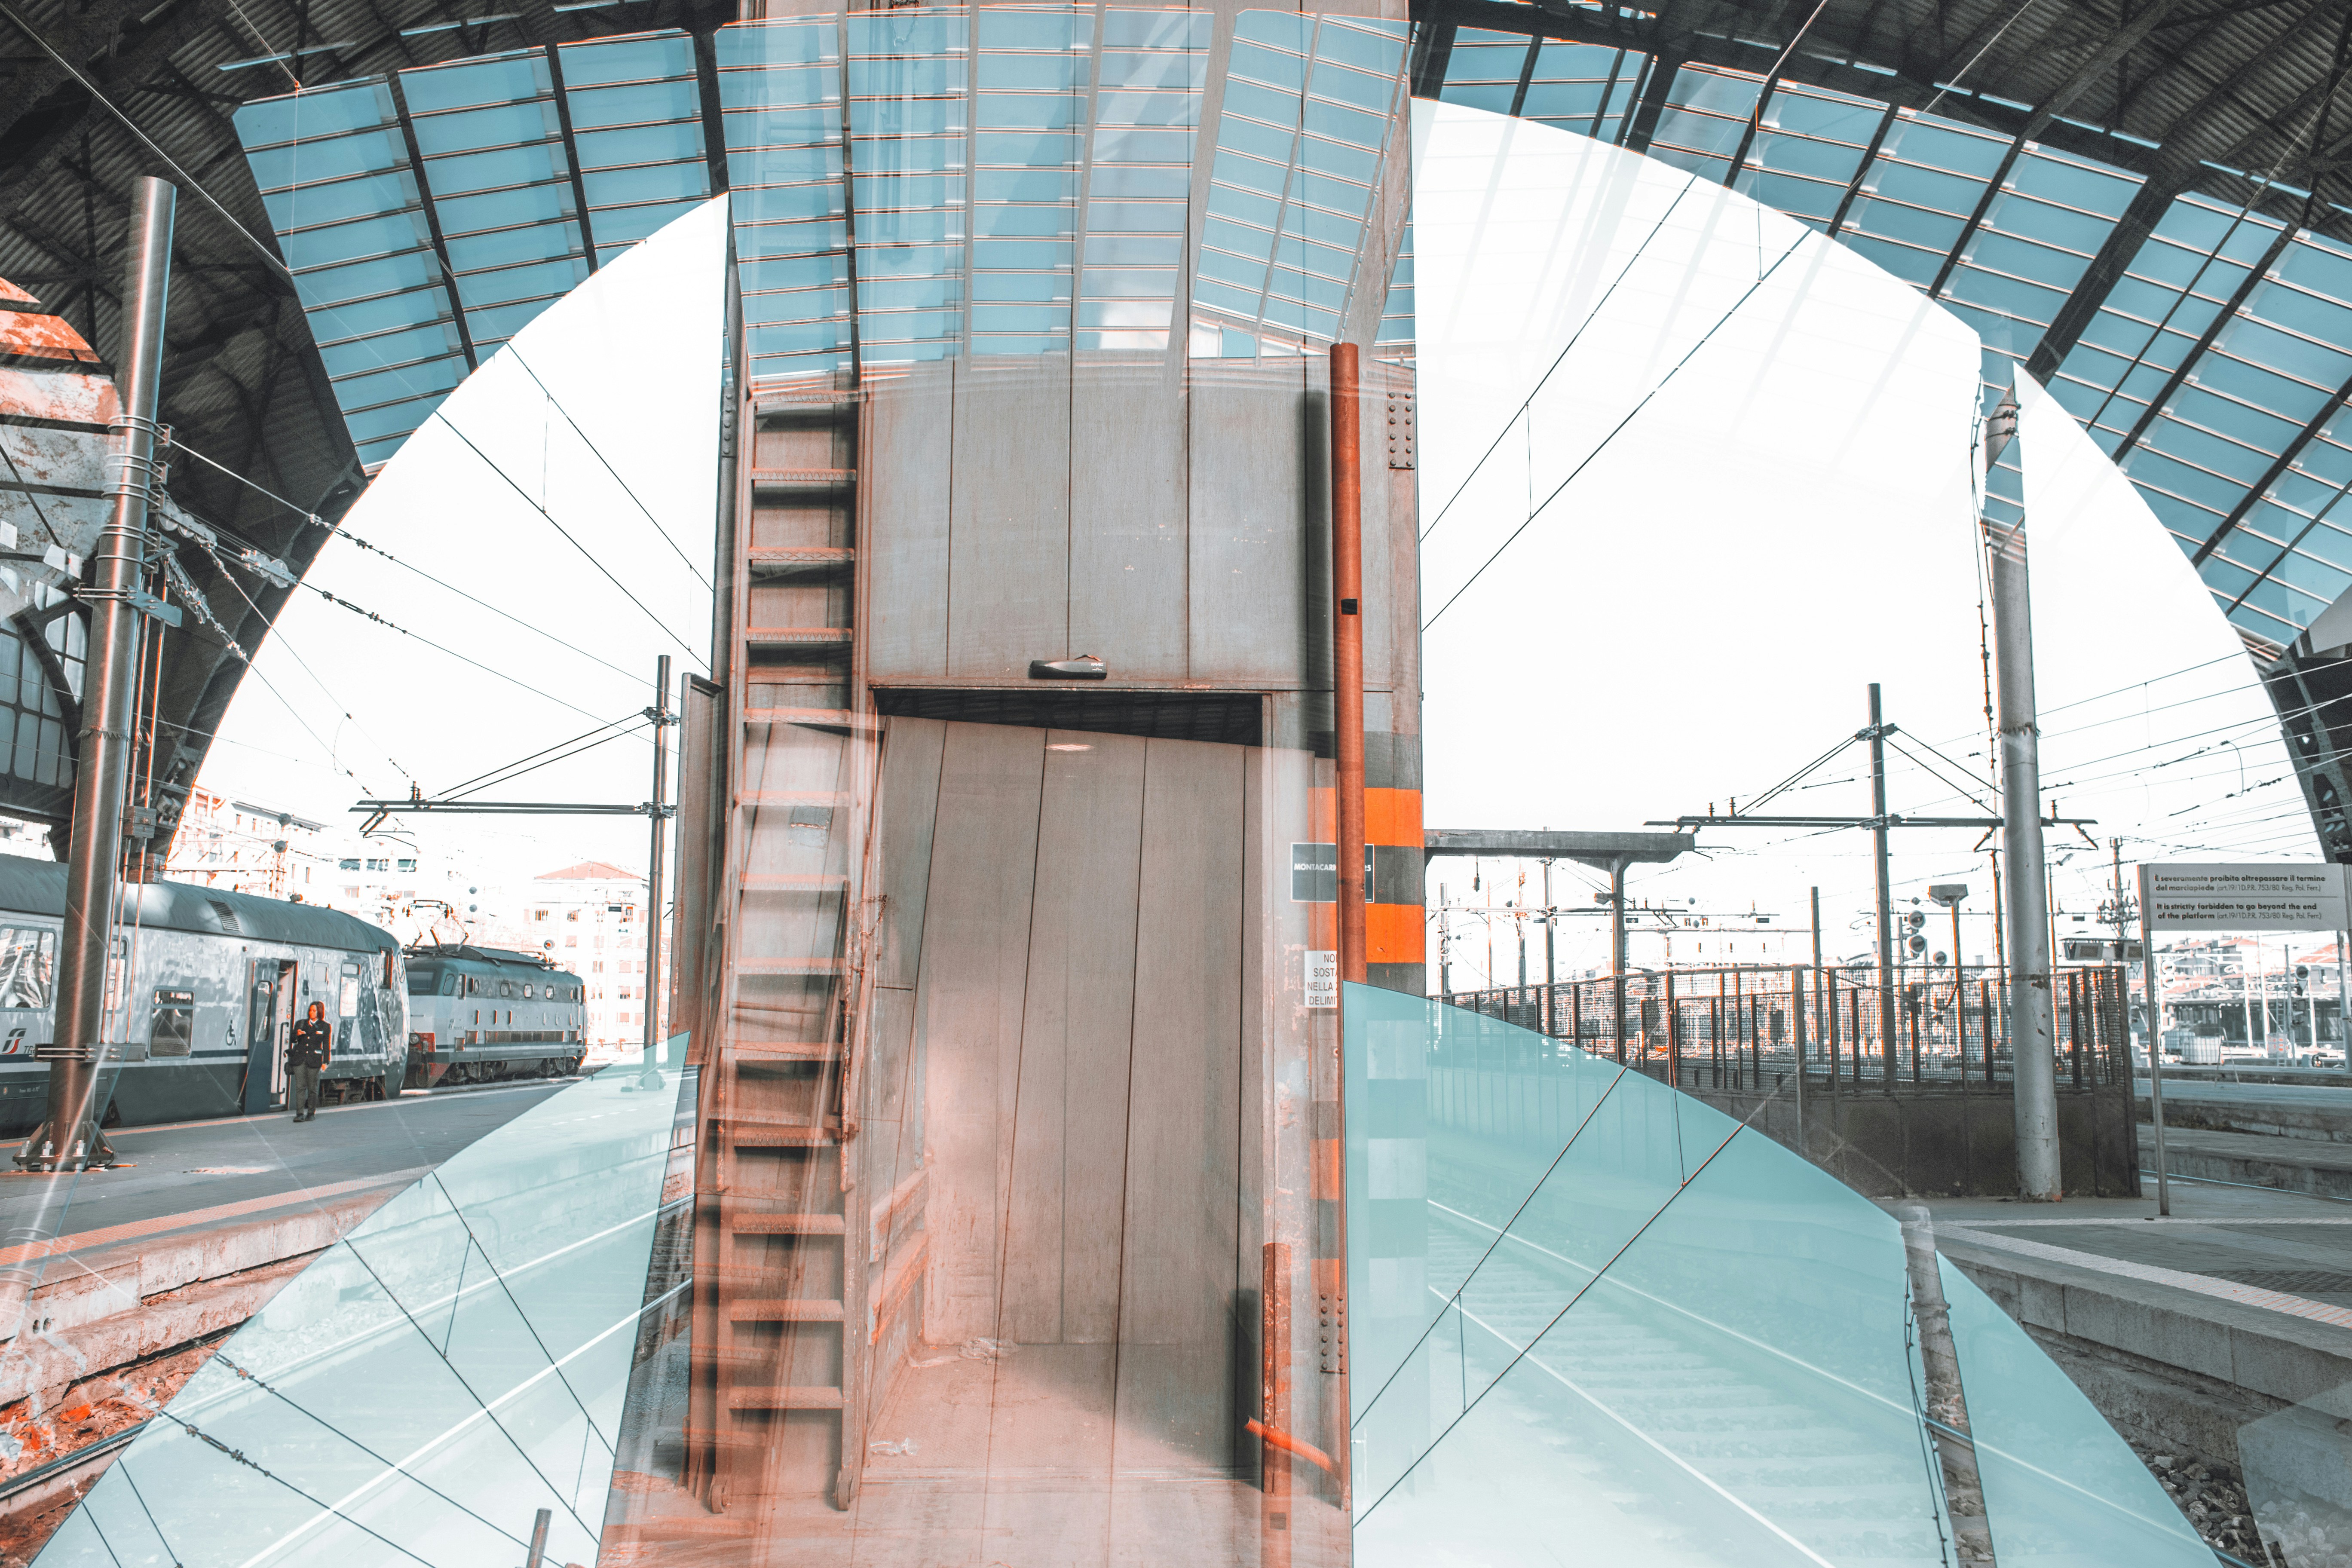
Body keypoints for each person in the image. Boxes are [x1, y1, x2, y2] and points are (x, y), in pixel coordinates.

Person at [289, 1001, 332, 1122]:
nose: (311, 1013)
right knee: (300, 1087)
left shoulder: (325, 1026)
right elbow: (293, 1039)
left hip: (314, 1060)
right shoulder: (301, 1024)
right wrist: (297, 1034)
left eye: (314, 1011)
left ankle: (311, 1112)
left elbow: (326, 1045)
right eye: (310, 1010)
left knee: (312, 1088)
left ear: (320, 1012)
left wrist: (326, 1062)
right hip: (300, 1059)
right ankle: (300, 1114)